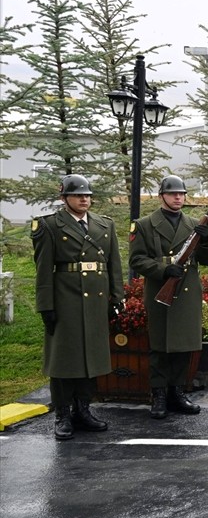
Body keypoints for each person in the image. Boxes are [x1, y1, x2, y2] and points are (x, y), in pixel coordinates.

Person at [32, 174, 124, 439]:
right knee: (64, 360)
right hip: (66, 300)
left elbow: (113, 264)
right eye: (78, 195)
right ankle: (63, 415)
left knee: (90, 358)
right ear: (65, 198)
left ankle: (83, 410)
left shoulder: (103, 224)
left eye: (87, 195)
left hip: (96, 299)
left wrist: (117, 296)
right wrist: (45, 306)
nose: (84, 199)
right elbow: (43, 269)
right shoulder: (50, 226)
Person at [129, 175, 208, 419]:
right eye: (173, 193)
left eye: (182, 194)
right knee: (160, 346)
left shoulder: (192, 224)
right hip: (161, 290)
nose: (178, 197)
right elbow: (136, 260)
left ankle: (177, 392)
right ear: (161, 196)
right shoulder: (145, 224)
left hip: (187, 291)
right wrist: (163, 269)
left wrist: (205, 239)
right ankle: (158, 395)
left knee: (183, 346)